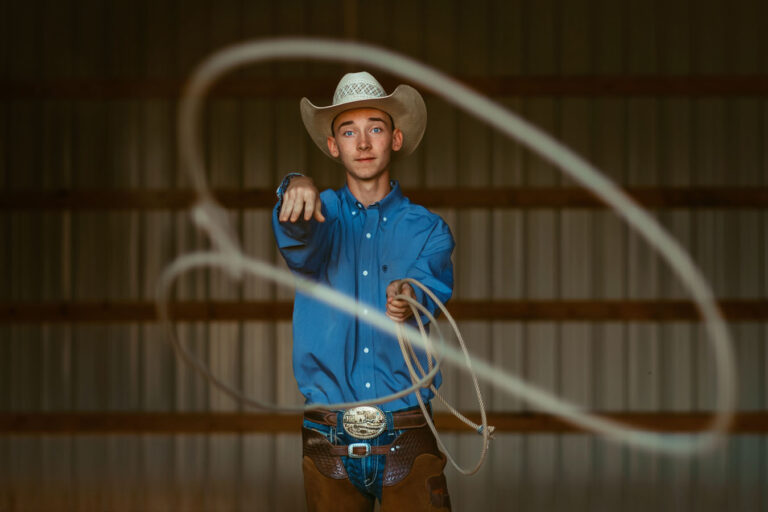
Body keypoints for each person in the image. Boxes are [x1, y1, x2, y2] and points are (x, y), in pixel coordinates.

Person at [272, 71, 454, 511]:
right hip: (327, 436)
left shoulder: (429, 229)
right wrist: (293, 186)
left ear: (395, 138)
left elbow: (431, 287)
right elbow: (297, 234)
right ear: (334, 147)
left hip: (407, 431)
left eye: (375, 127)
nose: (364, 142)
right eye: (349, 131)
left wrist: (411, 293)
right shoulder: (319, 214)